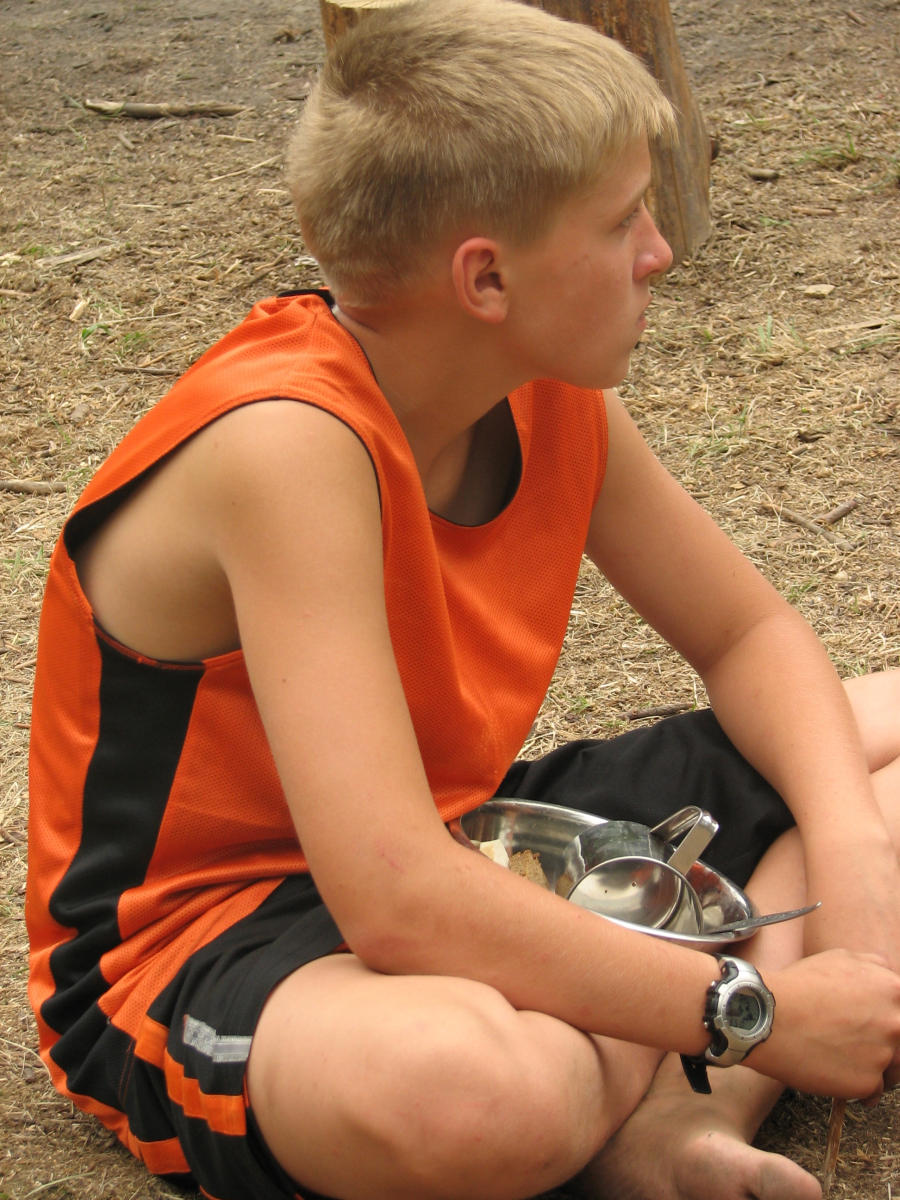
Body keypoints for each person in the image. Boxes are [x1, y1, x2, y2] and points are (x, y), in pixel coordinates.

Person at [25, 2, 900, 1198]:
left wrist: (849, 842)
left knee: (857, 762)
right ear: (486, 276)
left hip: (462, 844)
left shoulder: (545, 389)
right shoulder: (287, 443)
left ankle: (666, 1131)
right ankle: (677, 1027)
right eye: (622, 220)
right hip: (215, 937)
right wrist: (746, 1007)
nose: (660, 252)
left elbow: (746, 634)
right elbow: (393, 900)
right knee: (478, 1094)